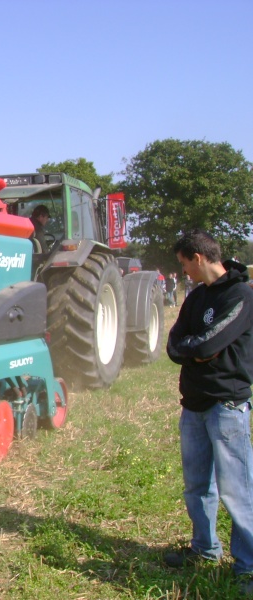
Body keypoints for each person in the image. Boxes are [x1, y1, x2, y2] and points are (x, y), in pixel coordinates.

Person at [164, 229, 253, 596]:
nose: (184, 271)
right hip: (194, 404)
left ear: (198, 257)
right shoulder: (196, 296)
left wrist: (196, 348)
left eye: (185, 263)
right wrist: (193, 350)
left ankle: (247, 567)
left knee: (237, 490)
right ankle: (205, 549)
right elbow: (175, 342)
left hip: (226, 404)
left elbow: (212, 341)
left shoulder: (241, 295)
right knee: (197, 487)